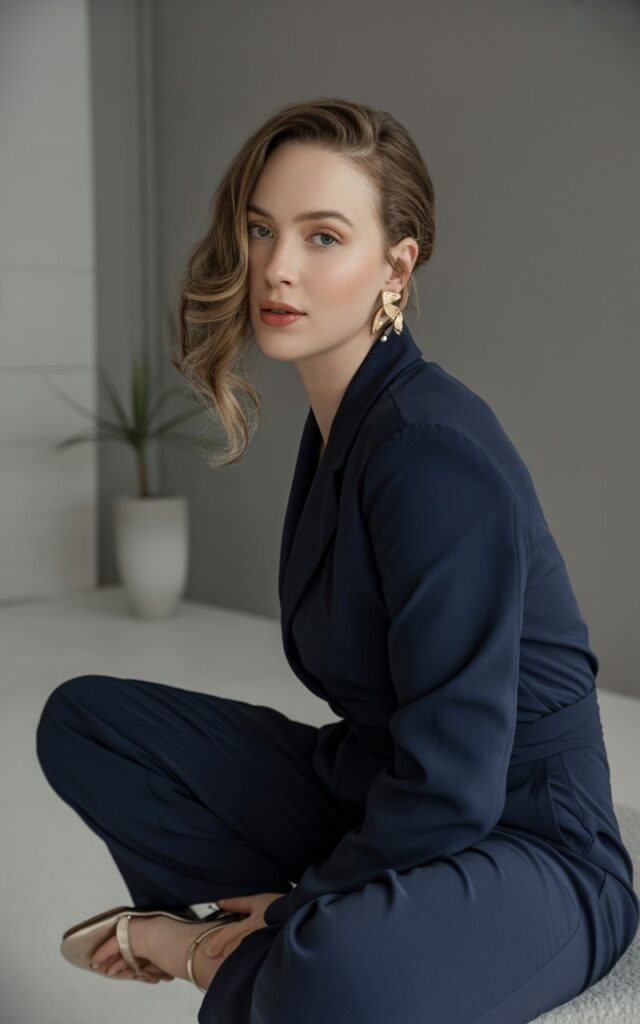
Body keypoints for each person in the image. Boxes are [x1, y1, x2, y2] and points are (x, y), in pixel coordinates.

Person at [36, 96, 639, 1024]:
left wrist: (300, 901)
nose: (277, 267)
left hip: (530, 844)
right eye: (261, 230)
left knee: (333, 975)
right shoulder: (344, 425)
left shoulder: (431, 448)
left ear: (395, 266)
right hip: (381, 792)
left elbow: (456, 779)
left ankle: (207, 948)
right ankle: (285, 948)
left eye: (323, 237)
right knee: (87, 724)